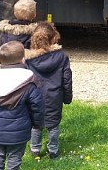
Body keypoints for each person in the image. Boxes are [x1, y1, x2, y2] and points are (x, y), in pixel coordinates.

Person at [0, 41, 44, 170]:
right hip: (20, 128)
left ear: (0, 60)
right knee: (15, 154)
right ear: (23, 59)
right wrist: (37, 124)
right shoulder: (28, 80)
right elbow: (37, 106)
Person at [25, 22, 73, 159]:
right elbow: (67, 78)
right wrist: (67, 97)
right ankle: (53, 151)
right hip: (54, 95)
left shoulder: (28, 59)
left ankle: (34, 150)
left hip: (34, 96)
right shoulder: (61, 56)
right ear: (54, 38)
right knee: (53, 124)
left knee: (36, 124)